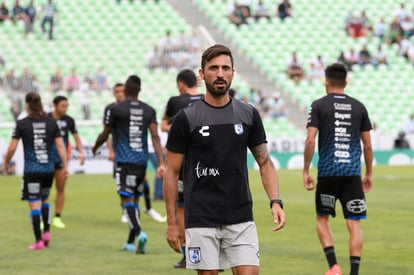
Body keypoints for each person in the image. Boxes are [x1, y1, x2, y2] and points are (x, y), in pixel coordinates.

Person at [163, 44, 285, 274]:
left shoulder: (248, 114)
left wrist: (276, 201)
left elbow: (265, 162)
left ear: (232, 73)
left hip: (240, 215)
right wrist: (172, 222)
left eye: (225, 68)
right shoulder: (185, 118)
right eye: (213, 68)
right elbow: (171, 171)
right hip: (201, 217)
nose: (220, 74)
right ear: (202, 74)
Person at [303, 63, 373, 275]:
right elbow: (368, 145)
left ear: (326, 82)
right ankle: (354, 272)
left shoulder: (318, 105)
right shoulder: (359, 107)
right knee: (354, 223)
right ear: (346, 82)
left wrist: (305, 170)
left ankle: (333, 266)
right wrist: (368, 173)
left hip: (328, 172)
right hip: (352, 174)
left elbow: (309, 141)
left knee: (322, 219)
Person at [92, 75, 164, 254]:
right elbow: (155, 137)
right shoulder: (149, 110)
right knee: (135, 199)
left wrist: (96, 146)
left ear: (125, 90)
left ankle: (139, 234)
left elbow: (105, 133)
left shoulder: (117, 109)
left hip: (124, 161)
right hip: (141, 161)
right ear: (139, 90)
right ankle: (131, 242)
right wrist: (161, 163)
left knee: (126, 200)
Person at [1, 92, 68, 250]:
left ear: (27, 105)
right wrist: (65, 166)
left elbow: (12, 147)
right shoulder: (52, 122)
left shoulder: (22, 123)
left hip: (32, 171)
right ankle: (47, 233)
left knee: (34, 205)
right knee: (45, 200)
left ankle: (38, 241)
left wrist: (5, 164)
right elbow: (60, 146)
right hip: (48, 169)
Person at [161, 68, 204, 269]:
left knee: (181, 206)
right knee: (207, 205)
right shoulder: (208, 99)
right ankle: (214, 254)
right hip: (206, 163)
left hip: (182, 162)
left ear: (180, 84)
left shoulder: (175, 101)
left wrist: (182, 129)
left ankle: (188, 254)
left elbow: (163, 125)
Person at [105, 84, 165, 224]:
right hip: (121, 154)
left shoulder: (136, 109)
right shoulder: (111, 109)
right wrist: (111, 150)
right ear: (114, 93)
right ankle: (126, 212)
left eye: (121, 91)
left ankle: (148, 208)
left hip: (137, 154)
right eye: (117, 92)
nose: (120, 94)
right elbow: (106, 132)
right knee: (123, 186)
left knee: (142, 180)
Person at [48, 96, 85, 228]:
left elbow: (76, 137)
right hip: (46, 159)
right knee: (44, 191)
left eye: (66, 106)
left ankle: (57, 217)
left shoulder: (69, 120)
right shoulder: (46, 118)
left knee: (61, 188)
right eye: (62, 106)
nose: (65, 108)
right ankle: (42, 217)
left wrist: (81, 152)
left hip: (61, 160)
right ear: (55, 105)